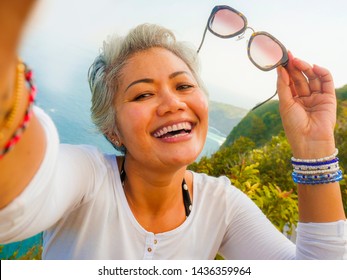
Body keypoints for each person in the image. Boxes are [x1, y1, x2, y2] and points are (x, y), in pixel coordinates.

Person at [0, 0, 346, 260]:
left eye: (183, 87)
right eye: (143, 94)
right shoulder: (88, 179)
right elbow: (17, 205)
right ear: (113, 130)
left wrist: (314, 148)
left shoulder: (221, 205)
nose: (172, 103)